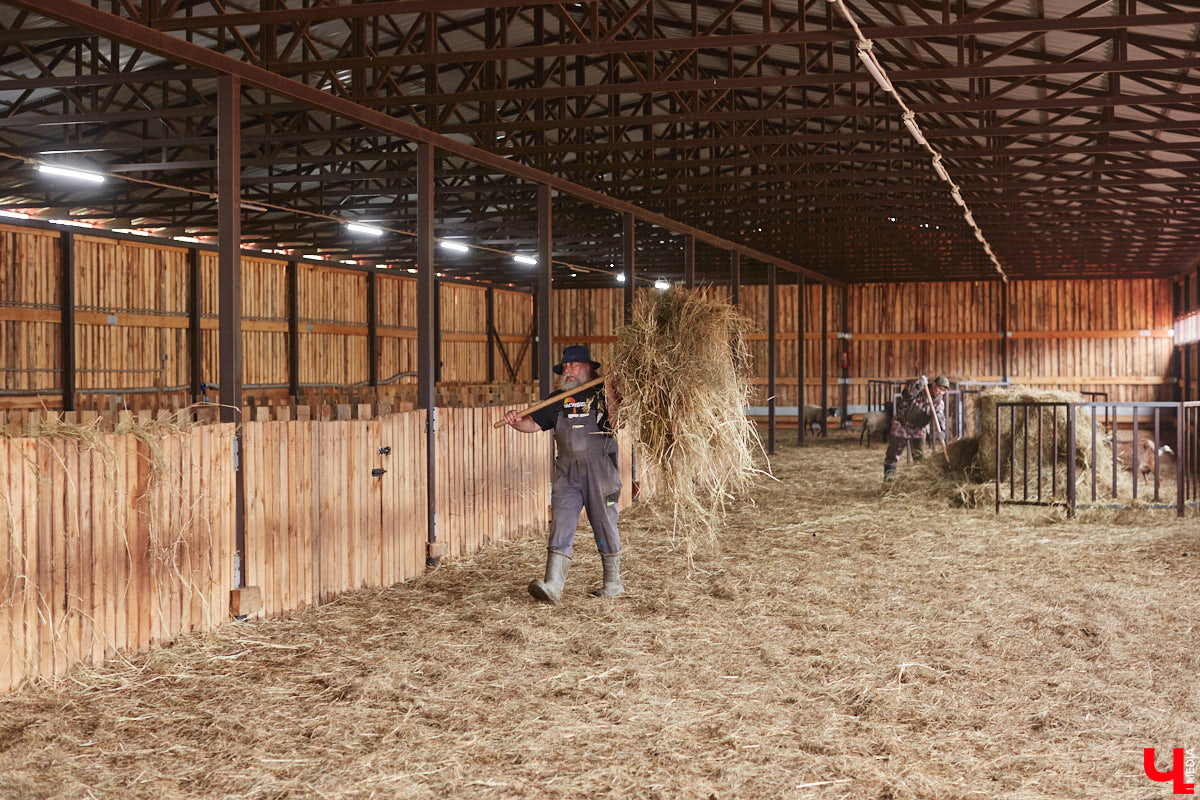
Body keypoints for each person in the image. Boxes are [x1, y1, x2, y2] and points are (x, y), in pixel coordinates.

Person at [503, 344, 623, 603]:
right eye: (565, 367)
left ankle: (612, 584)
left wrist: (611, 390)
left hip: (600, 471)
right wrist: (515, 422)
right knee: (560, 522)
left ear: (588, 368)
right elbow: (532, 424)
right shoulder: (557, 400)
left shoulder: (602, 394)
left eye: (573, 365)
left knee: (604, 524)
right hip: (567, 472)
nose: (567, 370)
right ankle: (553, 585)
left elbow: (617, 422)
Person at [883, 375, 949, 482]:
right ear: (933, 385)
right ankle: (888, 482)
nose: (941, 392)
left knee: (919, 458)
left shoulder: (938, 403)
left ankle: (919, 484)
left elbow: (940, 417)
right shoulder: (919, 390)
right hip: (901, 425)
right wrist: (918, 385)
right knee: (892, 455)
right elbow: (906, 395)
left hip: (918, 429)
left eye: (944, 390)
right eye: (940, 388)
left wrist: (942, 430)